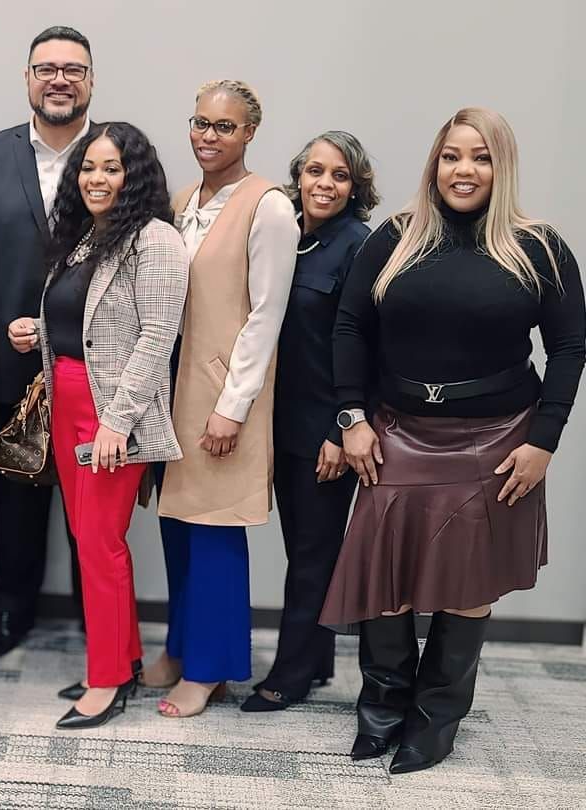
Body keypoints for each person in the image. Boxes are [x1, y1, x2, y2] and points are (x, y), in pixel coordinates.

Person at [321, 107, 585, 774]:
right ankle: (382, 708)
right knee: (389, 580)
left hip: (498, 441)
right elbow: (350, 326)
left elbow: (569, 347)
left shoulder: (541, 246)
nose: (464, 169)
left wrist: (544, 440)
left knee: (469, 586)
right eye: (451, 156)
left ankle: (436, 719)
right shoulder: (396, 238)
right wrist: (351, 418)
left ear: (502, 167)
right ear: (434, 164)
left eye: (481, 157)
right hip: (399, 433)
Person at [9, 122, 188, 729]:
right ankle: (126, 658)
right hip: (65, 399)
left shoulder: (155, 240)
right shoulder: (85, 237)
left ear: (133, 174)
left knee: (99, 544)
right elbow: (82, 321)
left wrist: (116, 421)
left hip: (110, 411)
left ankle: (106, 679)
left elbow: (157, 337)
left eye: (110, 168)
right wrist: (39, 334)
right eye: (88, 167)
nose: (96, 178)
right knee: (90, 540)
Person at [155, 80, 300, 718]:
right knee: (177, 524)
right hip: (172, 392)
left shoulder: (268, 206)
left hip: (221, 395)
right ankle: (182, 648)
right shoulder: (185, 200)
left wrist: (232, 406)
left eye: (224, 126)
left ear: (248, 134)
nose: (208, 136)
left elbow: (266, 316)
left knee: (215, 531)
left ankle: (211, 669)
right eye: (200, 123)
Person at [0, 25, 93, 660]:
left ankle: (103, 623)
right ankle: (12, 612)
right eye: (46, 68)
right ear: (27, 79)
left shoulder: (116, 155)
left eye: (73, 69)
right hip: (10, 370)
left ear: (90, 81)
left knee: (94, 506)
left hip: (96, 372)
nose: (59, 78)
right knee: (15, 501)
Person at [239, 131, 378, 713]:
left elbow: (368, 347)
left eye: (339, 175)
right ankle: (316, 657)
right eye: (315, 171)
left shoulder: (359, 245)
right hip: (278, 419)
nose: (324, 184)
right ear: (298, 175)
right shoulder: (285, 232)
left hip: (326, 428)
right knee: (302, 546)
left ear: (356, 187)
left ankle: (289, 675)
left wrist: (338, 429)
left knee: (315, 551)